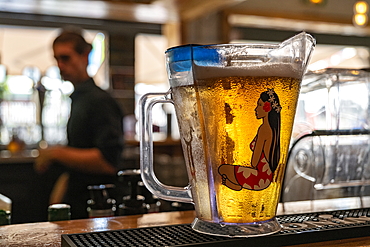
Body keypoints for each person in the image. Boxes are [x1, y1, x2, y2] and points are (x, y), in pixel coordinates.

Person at [35, 28, 124, 219]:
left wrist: (56, 153)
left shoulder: (99, 101)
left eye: (65, 58)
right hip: (79, 202)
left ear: (85, 56)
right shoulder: (80, 98)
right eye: (57, 59)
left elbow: (108, 162)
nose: (59, 65)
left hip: (96, 209)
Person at [218, 88, 281, 191]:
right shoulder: (273, 130)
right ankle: (236, 185)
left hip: (259, 179)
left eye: (259, 105)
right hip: (266, 178)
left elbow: (254, 162)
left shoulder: (263, 129)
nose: (256, 109)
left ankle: (235, 185)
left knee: (222, 169)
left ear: (268, 108)